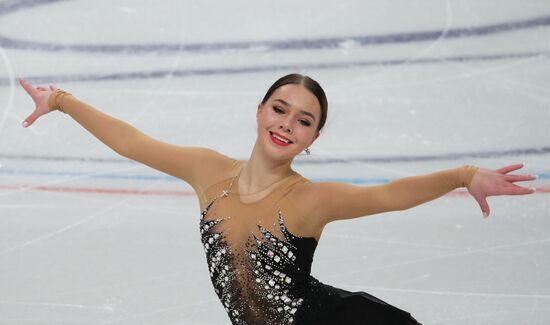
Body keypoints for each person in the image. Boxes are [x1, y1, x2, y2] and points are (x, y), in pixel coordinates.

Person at [19, 74, 536, 324]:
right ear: (261, 110)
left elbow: (389, 195)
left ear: (313, 138)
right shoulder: (208, 171)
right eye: (280, 109)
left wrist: (464, 174)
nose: (287, 124)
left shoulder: (308, 200)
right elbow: (133, 142)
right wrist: (61, 101)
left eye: (304, 120)